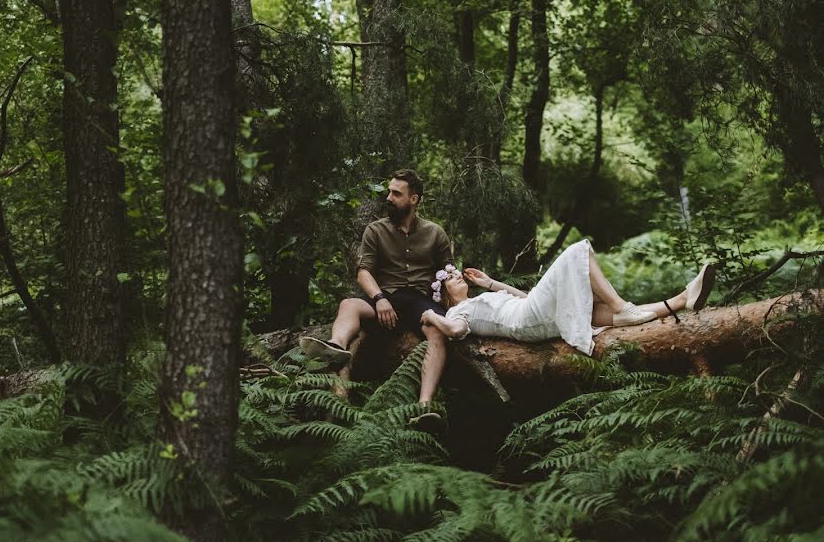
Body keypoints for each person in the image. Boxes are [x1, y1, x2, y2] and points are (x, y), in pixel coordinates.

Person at [299, 169, 453, 425]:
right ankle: (336, 347)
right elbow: (363, 272)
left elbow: (448, 274)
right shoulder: (375, 230)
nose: (389, 198)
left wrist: (457, 307)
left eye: (396, 193)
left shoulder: (435, 233)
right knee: (349, 304)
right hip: (386, 300)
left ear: (413, 199)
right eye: (388, 192)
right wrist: (379, 298)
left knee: (437, 330)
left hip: (419, 301)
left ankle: (424, 407)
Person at [420, 239, 716, 356]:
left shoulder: (479, 298)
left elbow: (525, 297)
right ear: (444, 296)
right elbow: (456, 332)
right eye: (450, 279)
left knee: (595, 310)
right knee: (579, 251)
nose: (457, 276)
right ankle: (622, 307)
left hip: (532, 313)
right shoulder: (455, 314)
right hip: (527, 323)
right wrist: (432, 316)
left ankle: (680, 300)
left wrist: (491, 283)